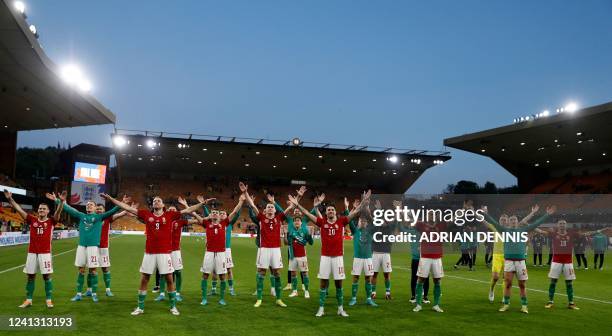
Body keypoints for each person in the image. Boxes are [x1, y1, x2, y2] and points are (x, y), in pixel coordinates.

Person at [101, 193, 211, 316]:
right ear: (152, 205)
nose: (156, 202)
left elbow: (189, 209)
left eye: (159, 200)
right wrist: (111, 199)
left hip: (165, 253)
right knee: (144, 279)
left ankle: (173, 306)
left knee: (169, 279)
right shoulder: (146, 214)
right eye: (154, 201)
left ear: (163, 205)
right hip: (149, 253)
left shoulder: (170, 215)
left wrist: (202, 204)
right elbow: (127, 208)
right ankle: (140, 307)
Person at [289, 190, 369, 317]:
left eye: (332, 210)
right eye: (328, 210)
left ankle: (340, 308)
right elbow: (306, 213)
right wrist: (297, 205)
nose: (330, 211)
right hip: (325, 257)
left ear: (335, 212)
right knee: (323, 282)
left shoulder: (341, 221)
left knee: (339, 283)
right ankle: (321, 308)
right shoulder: (322, 222)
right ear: (326, 213)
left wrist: (363, 203)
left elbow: (355, 213)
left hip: (338, 258)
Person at [486, 205, 555, 314]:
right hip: (509, 261)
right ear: (509, 222)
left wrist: (547, 214)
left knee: (522, 285)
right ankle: (506, 304)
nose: (513, 221)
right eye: (512, 220)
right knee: (507, 283)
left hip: (520, 262)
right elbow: (493, 223)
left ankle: (524, 306)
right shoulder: (504, 230)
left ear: (517, 222)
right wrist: (485, 214)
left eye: (515, 220)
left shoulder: (523, 230)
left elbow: (536, 223)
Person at [56, 193, 122, 303]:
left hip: (93, 247)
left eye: (91, 204)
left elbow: (113, 211)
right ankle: (78, 294)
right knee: (81, 270)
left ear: (95, 208)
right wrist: (58, 201)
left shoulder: (99, 217)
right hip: (81, 246)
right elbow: (68, 209)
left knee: (93, 271)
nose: (88, 206)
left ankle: (94, 294)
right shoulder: (82, 216)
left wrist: (122, 202)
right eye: (87, 204)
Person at [4, 190, 63, 308]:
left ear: (48, 211)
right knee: (30, 276)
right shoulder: (32, 220)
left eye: (44, 209)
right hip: (32, 252)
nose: (41, 210)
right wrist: (10, 199)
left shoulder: (51, 221)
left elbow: (58, 212)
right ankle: (29, 300)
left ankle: (48, 300)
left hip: (45, 253)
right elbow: (20, 210)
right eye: (40, 209)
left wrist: (61, 202)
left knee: (46, 276)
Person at [242, 182, 292, 308]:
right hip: (263, 249)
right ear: (265, 210)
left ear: (275, 210)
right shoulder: (261, 218)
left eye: (272, 207)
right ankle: (259, 299)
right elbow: (252, 205)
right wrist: (245, 192)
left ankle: (279, 299)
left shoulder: (279, 218)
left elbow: (290, 208)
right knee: (261, 273)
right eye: (268, 207)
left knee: (277, 273)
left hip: (276, 250)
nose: (270, 208)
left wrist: (300, 196)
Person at [192, 195, 243, 306]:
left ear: (220, 217)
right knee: (205, 275)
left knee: (222, 276)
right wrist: (197, 207)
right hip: (209, 253)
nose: (215, 213)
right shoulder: (207, 224)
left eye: (217, 212)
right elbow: (197, 216)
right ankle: (204, 298)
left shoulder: (224, 223)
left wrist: (240, 201)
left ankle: (222, 298)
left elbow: (235, 212)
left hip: (221, 253)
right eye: (213, 212)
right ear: (211, 215)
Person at [85, 204, 131, 298]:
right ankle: (89, 290)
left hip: (103, 248)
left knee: (105, 269)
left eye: (100, 209)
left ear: (104, 210)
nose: (98, 210)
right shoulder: (91, 219)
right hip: (92, 247)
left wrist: (126, 210)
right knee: (91, 269)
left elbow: (119, 215)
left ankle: (108, 290)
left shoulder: (108, 218)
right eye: (97, 209)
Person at [346, 197, 377, 307]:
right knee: (356, 277)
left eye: (364, 221)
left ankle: (369, 299)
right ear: (358, 222)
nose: (363, 222)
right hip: (358, 258)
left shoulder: (370, 230)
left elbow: (373, 221)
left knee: (368, 278)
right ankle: (353, 298)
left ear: (366, 223)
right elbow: (348, 219)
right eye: (361, 220)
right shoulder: (355, 231)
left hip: (368, 258)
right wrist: (351, 208)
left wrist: (367, 207)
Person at [284, 209, 313, 299]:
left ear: (301, 223)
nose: (297, 222)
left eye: (298, 221)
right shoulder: (290, 232)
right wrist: (285, 235)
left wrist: (309, 235)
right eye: (295, 221)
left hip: (302, 256)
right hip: (292, 256)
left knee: (305, 273)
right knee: (293, 273)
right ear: (293, 223)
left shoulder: (304, 231)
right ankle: (295, 291)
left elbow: (311, 242)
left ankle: (307, 291)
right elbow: (286, 243)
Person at [370, 199, 395, 300]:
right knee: (374, 274)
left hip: (386, 254)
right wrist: (378, 210)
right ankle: (373, 292)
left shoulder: (390, 228)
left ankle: (388, 293)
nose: (384, 221)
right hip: (375, 253)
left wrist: (398, 209)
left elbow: (395, 220)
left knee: (387, 274)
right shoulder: (375, 227)